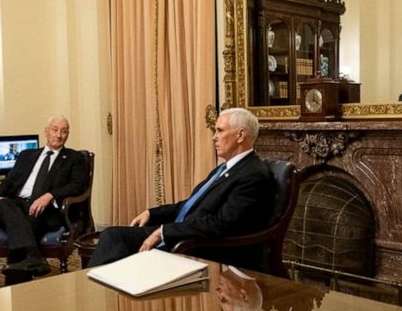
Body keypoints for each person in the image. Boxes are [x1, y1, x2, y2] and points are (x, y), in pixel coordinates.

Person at [89, 107, 276, 270]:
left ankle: (94, 296)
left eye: (219, 130)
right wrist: (152, 214)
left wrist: (164, 232)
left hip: (194, 244)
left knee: (114, 239)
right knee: (113, 238)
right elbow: (190, 205)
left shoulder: (252, 174)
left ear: (240, 135)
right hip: (181, 232)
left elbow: (222, 223)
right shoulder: (226, 168)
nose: (214, 137)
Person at [0, 116, 89, 282]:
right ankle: (33, 255)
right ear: (46, 131)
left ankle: (16, 287)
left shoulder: (74, 158)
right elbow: (9, 181)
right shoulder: (26, 155)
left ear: (68, 134)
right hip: (17, 204)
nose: (59, 135)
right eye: (55, 129)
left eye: (64, 131)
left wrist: (50, 195)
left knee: (27, 221)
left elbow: (78, 185)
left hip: (45, 210)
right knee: (3, 204)